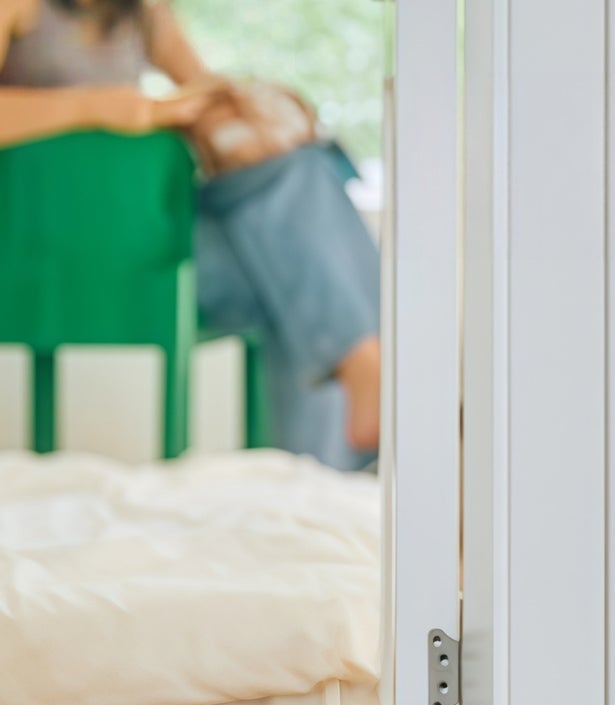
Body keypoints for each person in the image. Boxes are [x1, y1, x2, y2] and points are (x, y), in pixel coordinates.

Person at [0, 0, 380, 470]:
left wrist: (243, 112)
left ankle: (317, 480)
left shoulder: (146, 13)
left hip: (154, 247)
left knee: (297, 208)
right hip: (44, 249)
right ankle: (365, 370)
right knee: (293, 264)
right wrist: (103, 108)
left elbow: (206, 92)